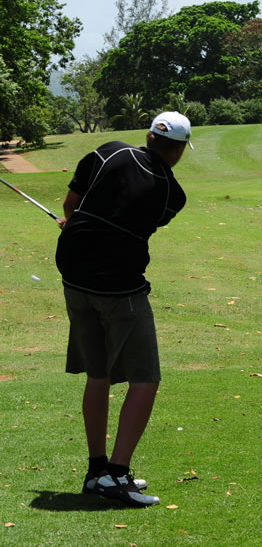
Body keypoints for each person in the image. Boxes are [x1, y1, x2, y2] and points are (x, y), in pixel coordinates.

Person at [55, 111, 192, 508]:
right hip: (121, 289)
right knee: (144, 379)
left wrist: (74, 223)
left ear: (148, 136)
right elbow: (138, 221)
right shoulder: (173, 195)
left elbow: (72, 203)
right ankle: (116, 475)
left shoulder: (108, 152)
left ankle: (96, 470)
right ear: (179, 150)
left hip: (74, 280)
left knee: (98, 375)